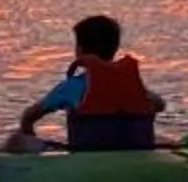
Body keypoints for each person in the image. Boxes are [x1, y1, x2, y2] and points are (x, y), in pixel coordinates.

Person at [10, 13, 165, 151]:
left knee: (15, 141)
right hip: (133, 153)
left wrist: (27, 128)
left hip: (88, 154)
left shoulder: (72, 87)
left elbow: (30, 115)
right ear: (115, 49)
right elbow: (159, 104)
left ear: (80, 50)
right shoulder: (133, 88)